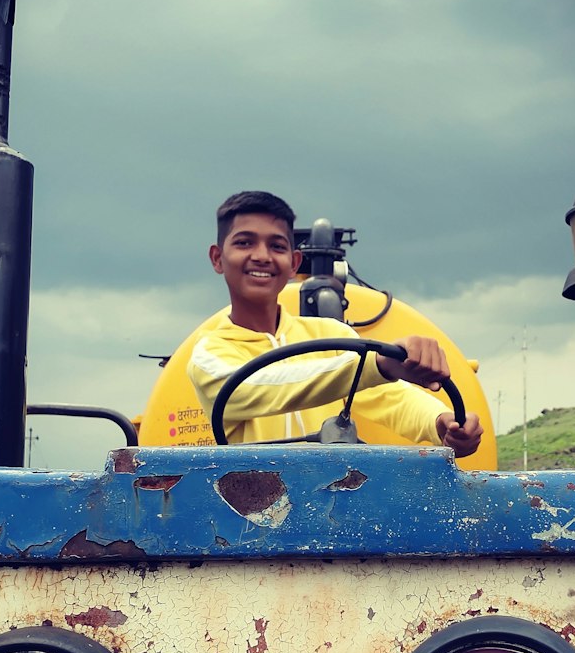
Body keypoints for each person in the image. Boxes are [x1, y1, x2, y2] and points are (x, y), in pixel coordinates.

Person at [187, 190, 483, 455]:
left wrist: (441, 422)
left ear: (293, 263)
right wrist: (377, 365)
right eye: (244, 242)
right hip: (252, 510)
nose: (262, 256)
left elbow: (388, 397)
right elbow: (256, 386)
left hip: (332, 507)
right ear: (218, 258)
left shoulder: (332, 335)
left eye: (277, 246)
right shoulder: (208, 355)